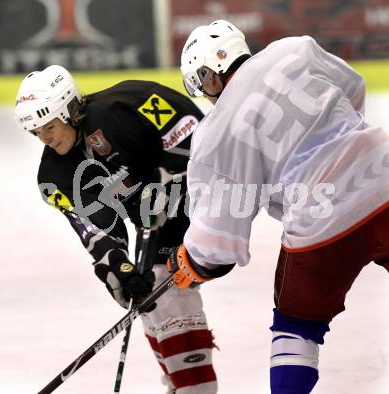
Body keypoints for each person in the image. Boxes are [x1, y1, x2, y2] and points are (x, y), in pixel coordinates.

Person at [166, 19, 389, 394]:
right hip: (382, 177)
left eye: (201, 81)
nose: (205, 93)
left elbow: (217, 242)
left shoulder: (215, 132)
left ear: (209, 72)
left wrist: (191, 262)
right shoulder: (294, 49)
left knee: (296, 328)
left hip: (321, 223)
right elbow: (353, 87)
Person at [13, 66, 219, 393]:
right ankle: (182, 382)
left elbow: (194, 131)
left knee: (167, 285)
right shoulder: (54, 177)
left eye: (49, 127)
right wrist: (120, 269)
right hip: (151, 218)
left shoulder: (126, 105)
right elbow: (95, 229)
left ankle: (196, 389)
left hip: (197, 196)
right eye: (37, 132)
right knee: (148, 295)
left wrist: (168, 178)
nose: (45, 139)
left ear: (69, 111)